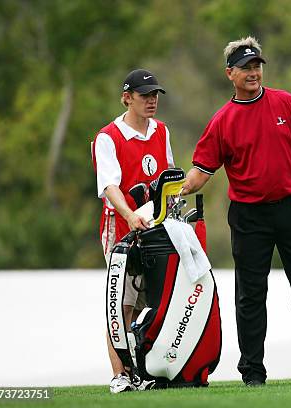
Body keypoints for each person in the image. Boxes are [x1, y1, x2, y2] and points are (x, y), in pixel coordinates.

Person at [182, 36, 291, 386]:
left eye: (257, 65)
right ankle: (253, 371)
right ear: (230, 73)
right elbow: (202, 170)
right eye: (246, 67)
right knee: (250, 294)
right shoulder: (222, 121)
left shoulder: (286, 104)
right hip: (249, 216)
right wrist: (179, 189)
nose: (253, 72)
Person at [92, 69, 174, 393]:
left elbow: (167, 179)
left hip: (154, 228)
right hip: (121, 228)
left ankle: (144, 370)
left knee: (153, 301)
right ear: (127, 98)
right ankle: (120, 376)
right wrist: (128, 214)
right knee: (122, 303)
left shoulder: (162, 131)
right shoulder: (108, 137)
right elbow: (109, 186)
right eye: (144, 96)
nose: (152, 101)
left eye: (155, 95)